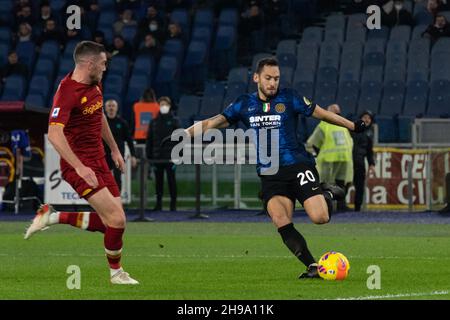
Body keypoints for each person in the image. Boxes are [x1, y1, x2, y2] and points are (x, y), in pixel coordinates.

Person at [176, 58, 366, 278]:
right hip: (270, 174)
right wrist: (182, 135)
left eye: (276, 78)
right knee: (280, 219)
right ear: (256, 78)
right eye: (268, 78)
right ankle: (312, 266)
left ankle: (325, 193)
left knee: (320, 218)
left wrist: (352, 125)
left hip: (297, 166)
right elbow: (212, 122)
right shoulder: (244, 104)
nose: (273, 83)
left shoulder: (290, 97)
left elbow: (322, 113)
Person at [24, 41, 139, 285]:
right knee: (116, 220)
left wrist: (115, 149)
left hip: (99, 160)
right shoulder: (66, 92)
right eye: (103, 63)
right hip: (78, 165)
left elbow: (99, 118)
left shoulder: (94, 83)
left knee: (114, 221)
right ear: (89, 64)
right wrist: (79, 166)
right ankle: (116, 274)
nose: (106, 67)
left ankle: (52, 217)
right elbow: (54, 135)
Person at [306, 104, 354, 212]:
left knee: (339, 183)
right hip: (329, 160)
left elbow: (312, 143)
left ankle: (340, 205)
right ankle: (326, 206)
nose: (337, 115)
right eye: (336, 113)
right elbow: (312, 144)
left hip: (341, 159)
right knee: (328, 184)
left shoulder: (335, 125)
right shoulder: (326, 125)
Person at [146, 96, 179, 211]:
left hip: (171, 158)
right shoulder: (153, 122)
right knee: (158, 182)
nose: (163, 107)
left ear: (169, 106)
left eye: (165, 104)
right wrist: (149, 157)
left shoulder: (175, 121)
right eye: (161, 104)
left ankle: (173, 205)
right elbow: (149, 140)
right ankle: (158, 204)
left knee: (171, 181)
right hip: (157, 157)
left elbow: (181, 139)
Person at [104, 99, 137, 191]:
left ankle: (118, 200)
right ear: (105, 108)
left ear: (117, 108)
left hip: (118, 155)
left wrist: (133, 155)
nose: (111, 108)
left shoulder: (122, 123)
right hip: (104, 154)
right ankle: (105, 201)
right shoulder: (101, 123)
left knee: (117, 177)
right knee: (103, 178)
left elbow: (130, 141)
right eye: (109, 106)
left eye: (113, 106)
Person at [351, 110, 375, 212]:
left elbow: (369, 151)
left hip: (360, 162)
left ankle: (357, 208)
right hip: (349, 161)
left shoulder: (369, 134)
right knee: (344, 184)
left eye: (369, 118)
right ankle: (340, 205)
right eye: (365, 117)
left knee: (359, 186)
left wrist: (371, 164)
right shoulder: (352, 129)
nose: (367, 119)